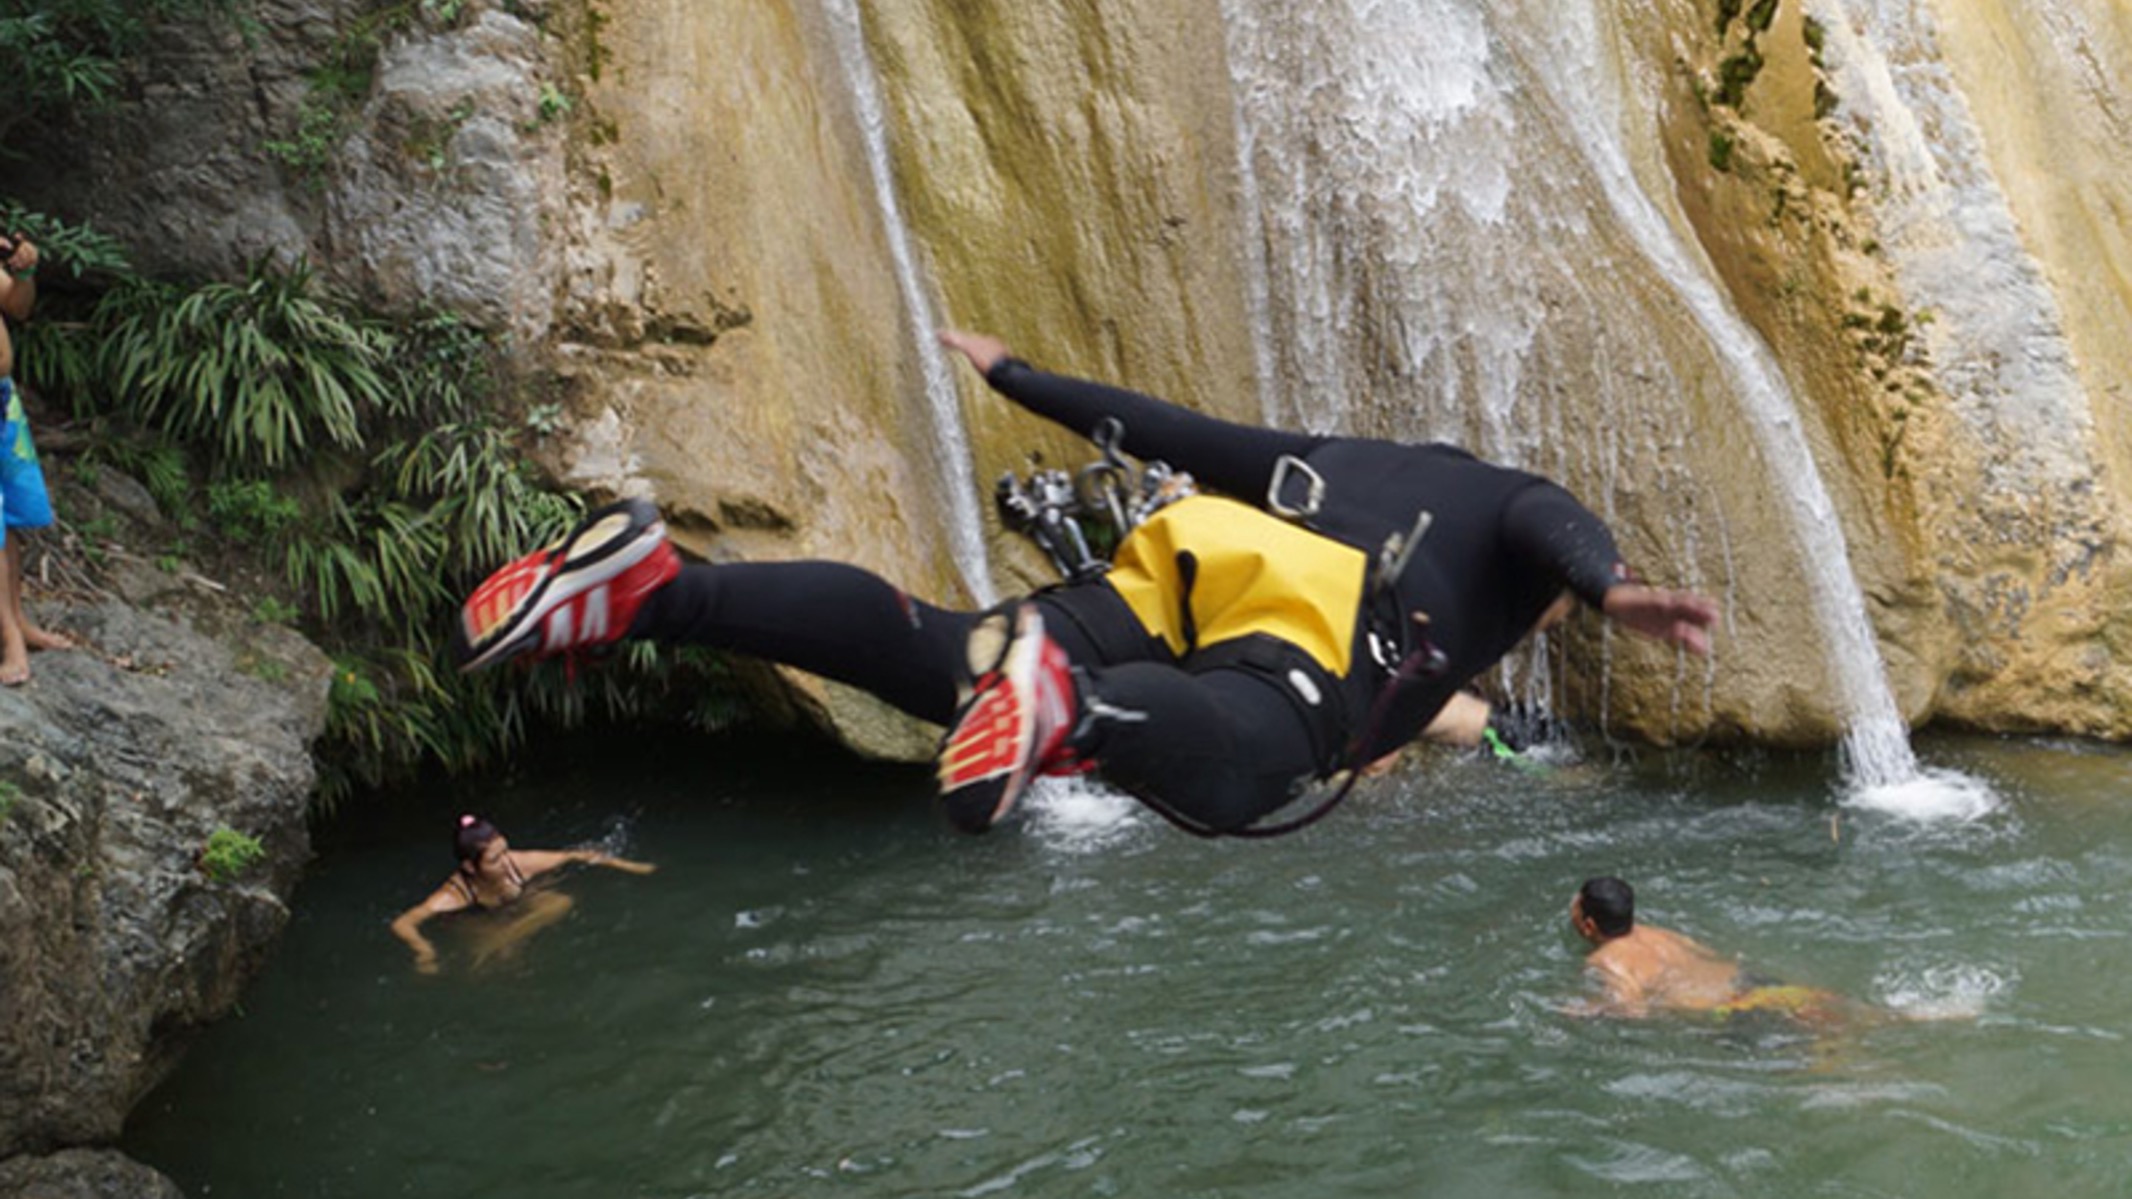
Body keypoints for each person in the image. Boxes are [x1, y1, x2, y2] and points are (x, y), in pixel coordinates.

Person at [452, 329, 1717, 836]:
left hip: (1200, 551)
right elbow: (1548, 515)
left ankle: (658, 592)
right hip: (1328, 607)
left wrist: (1016, 377)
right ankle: (1072, 706)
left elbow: (1165, 428)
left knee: (953, 656)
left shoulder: (1341, 457)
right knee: (1253, 757)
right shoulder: (1500, 505)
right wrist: (1610, 587)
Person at [389, 814, 657, 973]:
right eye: (495, 859)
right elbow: (403, 923)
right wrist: (424, 951)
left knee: (561, 902)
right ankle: (507, 938)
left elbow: (576, 854)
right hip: (476, 917)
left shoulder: (520, 862)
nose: (506, 861)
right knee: (505, 962)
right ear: (470, 866)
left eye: (505, 851)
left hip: (518, 908)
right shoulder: (455, 894)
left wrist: (630, 866)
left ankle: (508, 936)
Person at [1569, 877, 1854, 1025]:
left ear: (1588, 925)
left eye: (1576, 906)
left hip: (1731, 1013)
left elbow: (1634, 1011)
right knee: (1834, 1014)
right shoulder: (1660, 934)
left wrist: (1589, 1011)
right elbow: (1708, 954)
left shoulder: (1605, 961)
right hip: (1748, 981)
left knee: (1826, 1058)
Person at [0, 231, 71, 687]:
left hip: (2, 403)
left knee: (9, 519)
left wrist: (23, 272)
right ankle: (12, 644)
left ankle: (20, 622)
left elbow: (17, 307)